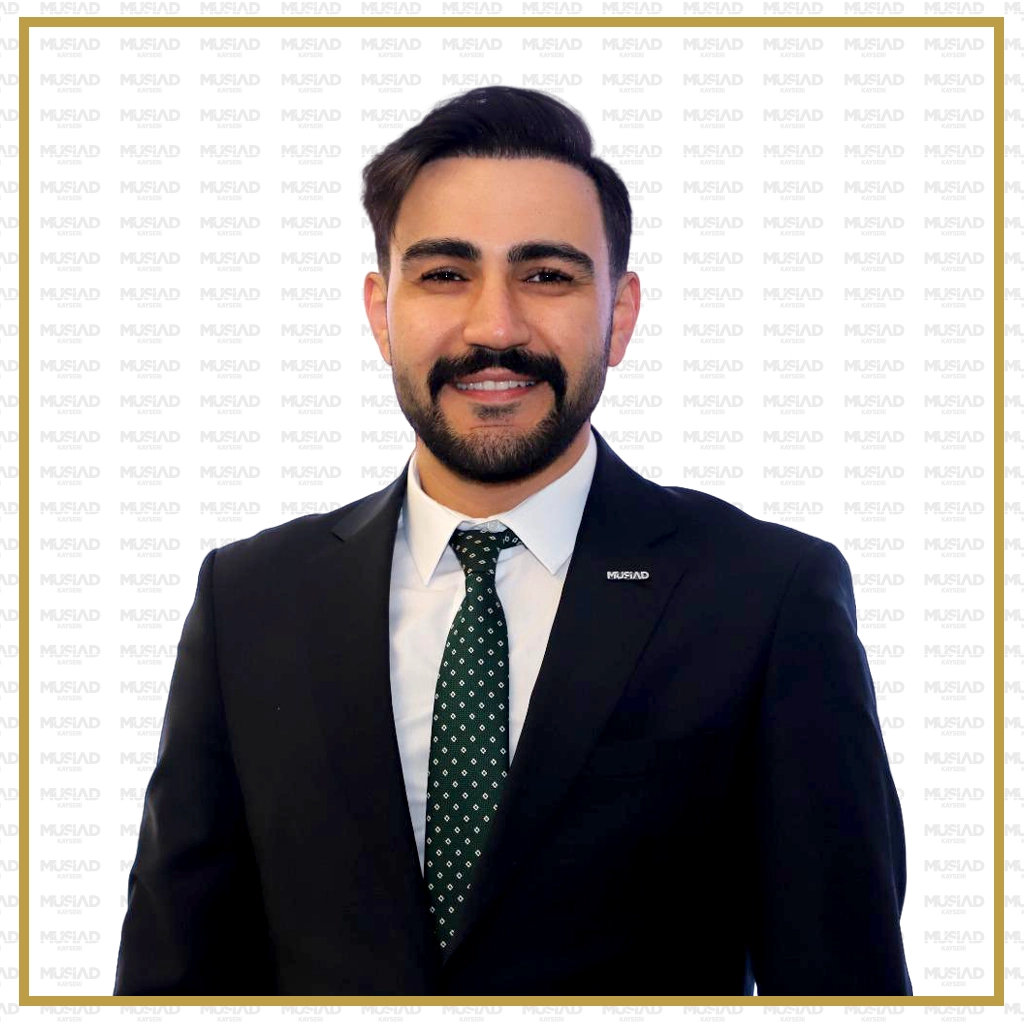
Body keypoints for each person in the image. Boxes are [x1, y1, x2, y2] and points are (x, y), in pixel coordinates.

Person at [113, 86, 912, 997]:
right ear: (381, 312)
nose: (495, 328)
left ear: (619, 314)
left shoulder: (766, 598)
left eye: (548, 276)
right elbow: (169, 982)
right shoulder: (250, 599)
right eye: (444, 275)